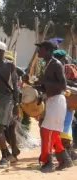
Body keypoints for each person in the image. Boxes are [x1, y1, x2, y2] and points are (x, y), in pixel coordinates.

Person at [36, 41, 74, 172]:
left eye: (40, 49)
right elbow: (46, 86)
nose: (38, 51)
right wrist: (35, 85)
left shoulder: (56, 64)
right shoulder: (46, 64)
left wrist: (45, 82)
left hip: (57, 100)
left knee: (46, 131)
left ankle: (48, 162)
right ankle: (64, 160)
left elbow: (63, 85)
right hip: (51, 100)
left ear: (46, 50)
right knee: (52, 132)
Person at [53, 49, 77, 160]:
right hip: (58, 101)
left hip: (69, 101)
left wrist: (66, 85)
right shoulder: (54, 68)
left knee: (66, 126)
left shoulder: (68, 68)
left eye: (58, 57)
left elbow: (75, 82)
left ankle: (68, 151)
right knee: (60, 126)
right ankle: (63, 150)